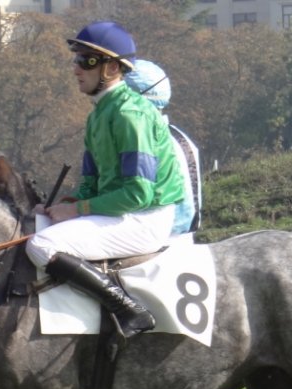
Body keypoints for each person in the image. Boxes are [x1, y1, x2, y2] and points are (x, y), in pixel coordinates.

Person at [26, 21, 184, 344]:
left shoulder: (130, 115)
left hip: (145, 218)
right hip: (121, 212)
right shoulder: (98, 115)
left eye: (86, 61)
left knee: (40, 246)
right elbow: (91, 184)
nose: (76, 68)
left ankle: (129, 310)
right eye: (76, 59)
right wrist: (64, 206)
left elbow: (138, 194)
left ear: (112, 68)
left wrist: (78, 210)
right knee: (35, 226)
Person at [125, 59, 202, 240]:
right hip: (185, 235)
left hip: (156, 238)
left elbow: (134, 198)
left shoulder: (146, 140)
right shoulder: (180, 136)